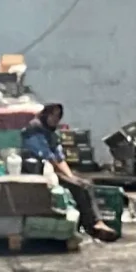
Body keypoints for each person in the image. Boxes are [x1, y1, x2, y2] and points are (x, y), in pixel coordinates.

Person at [19, 102, 116, 242]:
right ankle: (92, 225)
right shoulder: (33, 130)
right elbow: (48, 157)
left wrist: (71, 176)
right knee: (78, 187)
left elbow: (60, 158)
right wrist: (70, 179)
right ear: (46, 114)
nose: (55, 119)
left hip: (52, 170)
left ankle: (95, 222)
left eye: (58, 116)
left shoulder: (51, 133)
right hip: (39, 171)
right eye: (53, 115)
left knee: (85, 183)